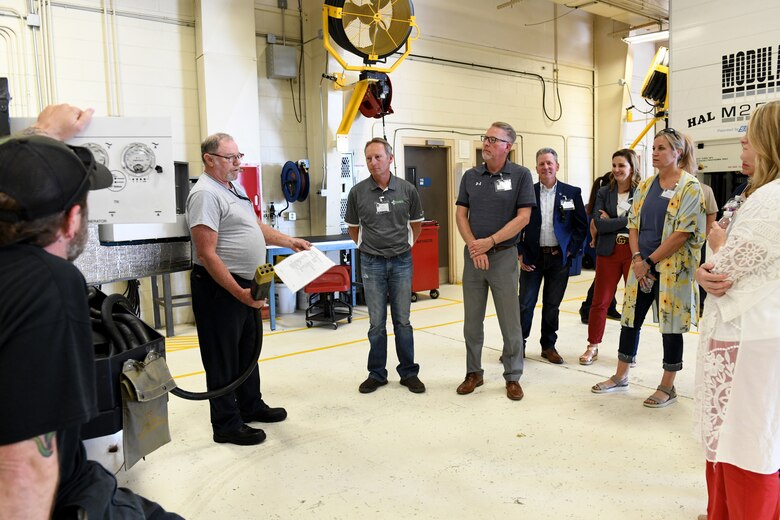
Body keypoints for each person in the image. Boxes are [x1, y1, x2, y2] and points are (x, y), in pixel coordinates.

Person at [0, 104, 181, 518]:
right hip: (62, 498)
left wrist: (42, 134)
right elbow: (21, 470)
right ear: (73, 218)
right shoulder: (46, 282)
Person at [187, 132, 311, 446]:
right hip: (220, 288)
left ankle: (251, 405)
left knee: (247, 349)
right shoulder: (205, 194)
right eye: (231, 158)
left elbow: (255, 226)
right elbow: (206, 253)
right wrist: (236, 292)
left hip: (247, 282)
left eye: (239, 157)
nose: (238, 164)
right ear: (210, 159)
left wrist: (289, 241)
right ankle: (227, 424)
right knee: (222, 356)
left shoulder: (234, 189)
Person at [694, 101, 780, 520]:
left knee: (745, 444)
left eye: (748, 139)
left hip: (750, 338)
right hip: (761, 332)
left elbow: (724, 272)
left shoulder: (769, 200)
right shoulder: (759, 196)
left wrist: (714, 250)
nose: (742, 148)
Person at [591, 127, 706, 407]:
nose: (654, 153)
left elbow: (682, 233)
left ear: (677, 153)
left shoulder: (690, 187)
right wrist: (638, 259)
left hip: (671, 270)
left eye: (661, 148)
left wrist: (650, 261)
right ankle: (621, 375)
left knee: (671, 326)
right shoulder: (645, 186)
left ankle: (668, 386)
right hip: (641, 264)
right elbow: (632, 224)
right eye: (653, 148)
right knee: (630, 320)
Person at [455, 122, 535, 401]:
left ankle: (513, 375)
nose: (486, 143)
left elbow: (523, 218)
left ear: (507, 147)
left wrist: (490, 242)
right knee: (472, 321)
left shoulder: (522, 175)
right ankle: (473, 372)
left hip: (503, 257)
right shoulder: (470, 176)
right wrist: (474, 248)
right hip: (474, 258)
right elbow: (461, 215)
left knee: (510, 321)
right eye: (485, 138)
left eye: (493, 139)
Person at [344, 137, 425, 394]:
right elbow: (353, 228)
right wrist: (368, 249)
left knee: (402, 321)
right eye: (368, 158)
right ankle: (377, 374)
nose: (373, 162)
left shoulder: (407, 190)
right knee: (376, 323)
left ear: (390, 159)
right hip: (371, 263)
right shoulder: (357, 193)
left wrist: (404, 246)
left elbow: (417, 224)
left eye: (378, 157)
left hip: (402, 261)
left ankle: (408, 373)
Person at [517, 147, 587, 365]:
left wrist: (570, 250)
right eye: (541, 164)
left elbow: (581, 226)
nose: (546, 167)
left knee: (552, 305)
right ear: (536, 168)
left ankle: (548, 346)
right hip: (532, 258)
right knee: (525, 304)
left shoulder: (572, 192)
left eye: (549, 163)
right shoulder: (527, 192)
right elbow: (516, 224)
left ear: (557, 166)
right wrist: (519, 252)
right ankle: (517, 346)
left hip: (559, 259)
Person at [578, 149, 640, 365]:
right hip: (607, 252)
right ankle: (592, 346)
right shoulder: (604, 192)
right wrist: (626, 220)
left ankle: (628, 352)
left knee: (632, 303)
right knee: (600, 301)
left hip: (633, 252)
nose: (616, 170)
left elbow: (641, 222)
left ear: (632, 167)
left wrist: (613, 219)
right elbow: (599, 223)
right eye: (614, 165)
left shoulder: (642, 191)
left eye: (621, 165)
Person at [579, 171, 621, 324]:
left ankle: (610, 305)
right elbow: (595, 223)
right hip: (606, 245)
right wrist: (594, 238)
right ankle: (586, 308)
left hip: (618, 244)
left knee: (611, 280)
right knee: (601, 280)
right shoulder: (605, 196)